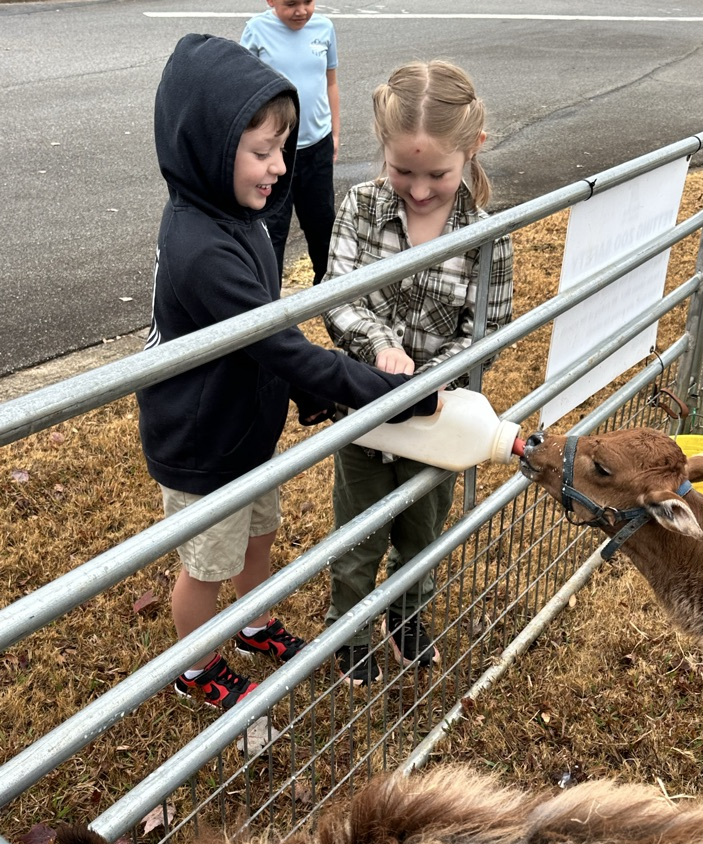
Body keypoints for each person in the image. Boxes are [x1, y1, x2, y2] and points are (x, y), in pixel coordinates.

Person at [137, 34, 438, 711]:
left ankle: (253, 620)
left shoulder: (238, 214)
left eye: (282, 148)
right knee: (206, 564)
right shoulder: (200, 249)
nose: (280, 167)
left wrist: (300, 392)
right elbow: (279, 344)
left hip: (243, 423)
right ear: (208, 148)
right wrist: (394, 394)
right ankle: (195, 665)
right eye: (262, 152)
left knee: (259, 530)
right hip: (202, 442)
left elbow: (269, 325)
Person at [322, 60, 514, 687]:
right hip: (366, 415)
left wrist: (430, 381)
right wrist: (380, 348)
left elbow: (489, 328)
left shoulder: (488, 236)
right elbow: (338, 296)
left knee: (423, 531)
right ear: (383, 147)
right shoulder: (358, 207)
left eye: (438, 174)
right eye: (402, 171)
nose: (420, 189)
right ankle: (351, 629)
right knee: (358, 533)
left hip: (438, 421)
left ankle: (407, 617)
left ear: (472, 148)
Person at [240, 0, 338, 285]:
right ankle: (269, 298)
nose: (301, 11)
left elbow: (330, 82)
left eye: (308, 1)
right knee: (272, 230)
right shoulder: (256, 30)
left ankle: (328, 291)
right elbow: (244, 91)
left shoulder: (324, 28)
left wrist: (335, 132)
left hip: (317, 146)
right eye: (291, 3)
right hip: (275, 151)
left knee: (322, 225)